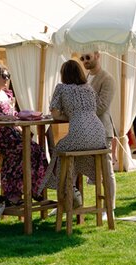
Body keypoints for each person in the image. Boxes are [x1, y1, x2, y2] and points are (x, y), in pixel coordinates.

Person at [0, 64, 45, 205]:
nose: (7, 79)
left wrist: (24, 117)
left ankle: (34, 188)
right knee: (19, 150)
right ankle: (12, 194)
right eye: (4, 76)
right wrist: (0, 118)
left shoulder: (8, 95)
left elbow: (13, 114)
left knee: (36, 149)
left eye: (8, 76)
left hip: (12, 134)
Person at [38, 60, 108, 203]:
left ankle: (67, 188)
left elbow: (55, 114)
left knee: (59, 149)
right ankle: (72, 189)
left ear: (64, 74)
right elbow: (93, 109)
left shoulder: (62, 88)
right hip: (99, 134)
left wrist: (71, 115)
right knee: (75, 151)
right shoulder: (89, 88)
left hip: (80, 132)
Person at [80, 52, 118, 209]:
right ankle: (74, 203)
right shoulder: (84, 79)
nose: (85, 61)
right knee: (76, 168)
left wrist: (78, 110)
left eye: (88, 57)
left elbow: (102, 106)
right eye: (82, 58)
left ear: (97, 55)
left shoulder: (107, 78)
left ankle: (110, 207)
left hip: (102, 130)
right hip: (84, 131)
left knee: (106, 170)